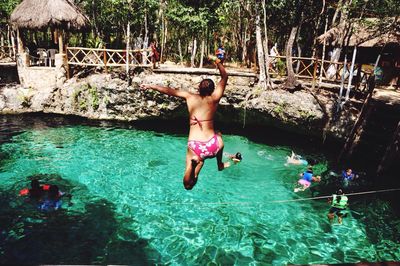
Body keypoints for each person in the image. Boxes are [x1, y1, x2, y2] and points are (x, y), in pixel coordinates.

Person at [140, 55, 230, 190]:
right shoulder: (215, 98)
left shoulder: (190, 97)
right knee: (218, 135)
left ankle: (193, 165)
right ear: (212, 90)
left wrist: (150, 86)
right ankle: (219, 164)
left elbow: (169, 91)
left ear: (199, 88)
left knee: (188, 185)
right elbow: (224, 77)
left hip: (196, 147)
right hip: (213, 146)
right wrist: (218, 63)